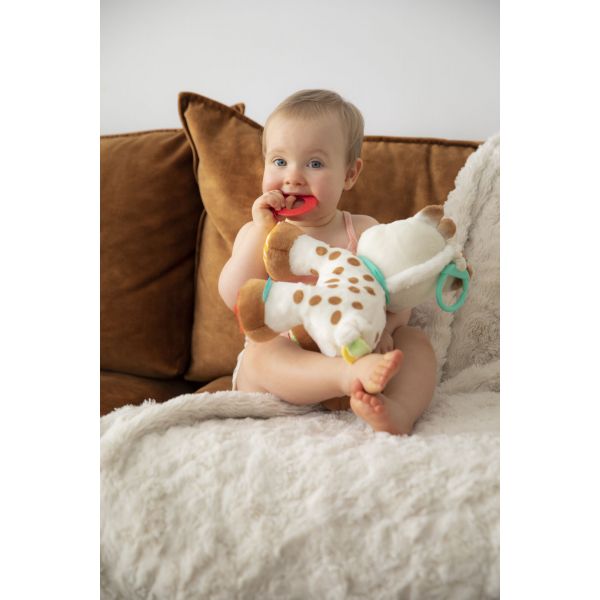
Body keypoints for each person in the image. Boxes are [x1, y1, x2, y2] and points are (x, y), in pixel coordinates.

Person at [218, 89, 437, 435]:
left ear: (349, 174)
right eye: (279, 162)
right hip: (286, 373)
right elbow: (234, 295)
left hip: (357, 350)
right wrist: (261, 230)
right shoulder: (257, 232)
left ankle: (398, 411)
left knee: (416, 343)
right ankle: (344, 377)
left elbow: (397, 296)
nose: (293, 177)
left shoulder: (364, 231)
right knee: (260, 354)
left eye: (315, 164)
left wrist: (387, 329)